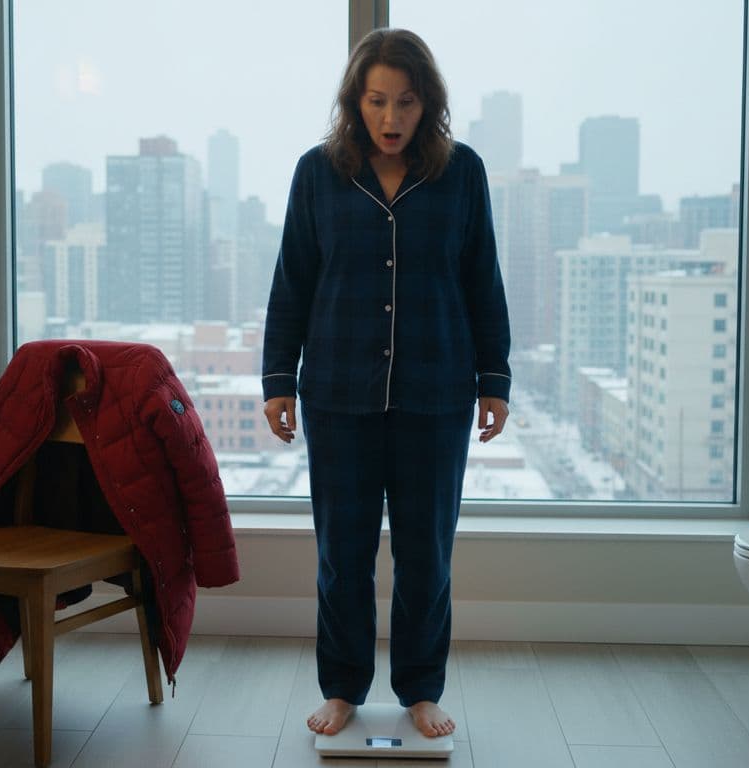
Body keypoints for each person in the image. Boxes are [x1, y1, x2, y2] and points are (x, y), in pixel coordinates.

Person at [261, 28, 512, 739]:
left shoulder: (462, 173)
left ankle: (420, 690)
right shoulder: (318, 173)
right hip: (338, 394)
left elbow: (482, 280)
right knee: (342, 553)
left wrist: (494, 379)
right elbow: (293, 281)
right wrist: (279, 378)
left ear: (426, 102)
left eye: (405, 101)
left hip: (437, 395)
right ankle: (341, 688)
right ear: (355, 102)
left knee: (426, 552)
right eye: (377, 101)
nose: (391, 117)